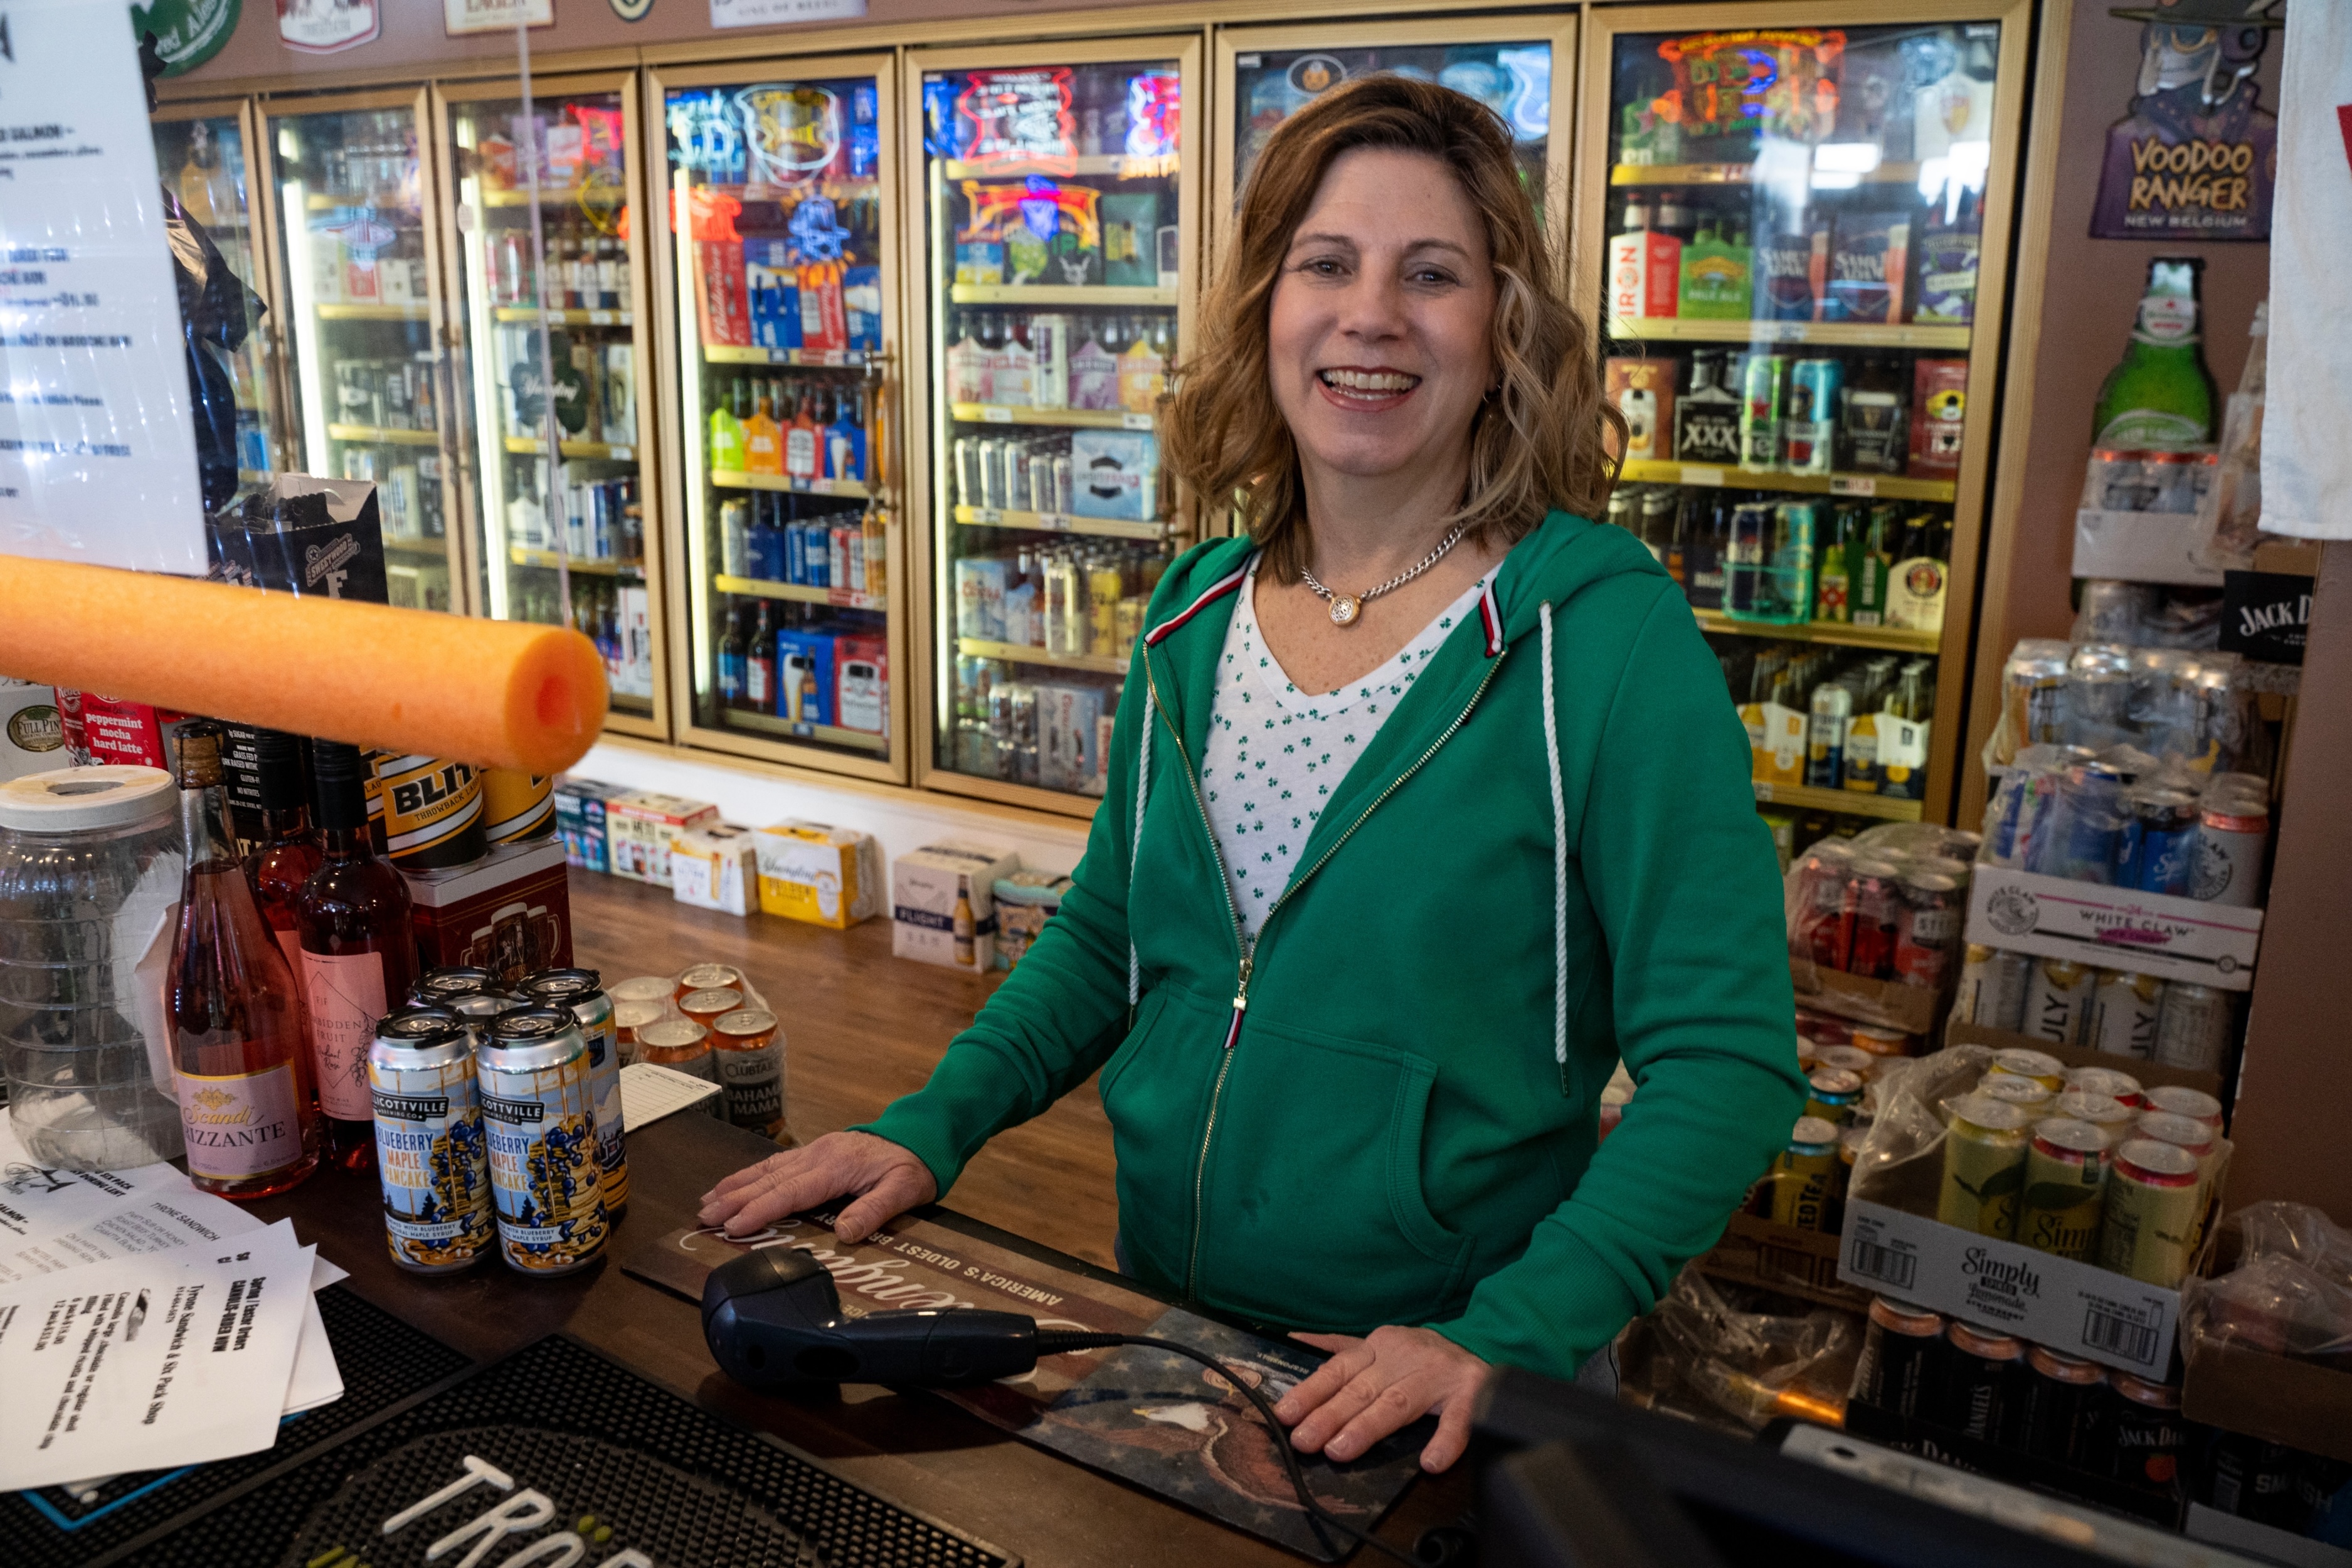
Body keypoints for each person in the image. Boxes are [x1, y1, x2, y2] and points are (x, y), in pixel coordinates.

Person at [702, 76, 1804, 1475]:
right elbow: (1108, 938)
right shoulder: (1195, 612)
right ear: (1266, 311)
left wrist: (1509, 1328)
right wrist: (932, 1124)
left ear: (1504, 326)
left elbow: (1728, 1062)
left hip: (1443, 1371)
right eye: (1326, 265)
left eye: (1435, 275)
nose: (1371, 316)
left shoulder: (1603, 636)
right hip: (1172, 1307)